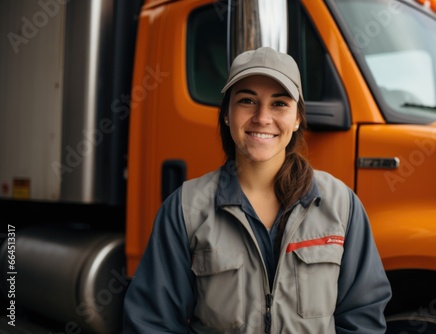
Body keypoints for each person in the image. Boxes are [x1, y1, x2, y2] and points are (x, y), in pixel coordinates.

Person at [122, 46, 392, 333]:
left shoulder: (341, 205)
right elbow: (152, 323)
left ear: (297, 117)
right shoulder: (185, 209)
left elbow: (362, 317)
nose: (262, 117)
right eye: (247, 101)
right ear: (227, 114)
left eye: (279, 103)